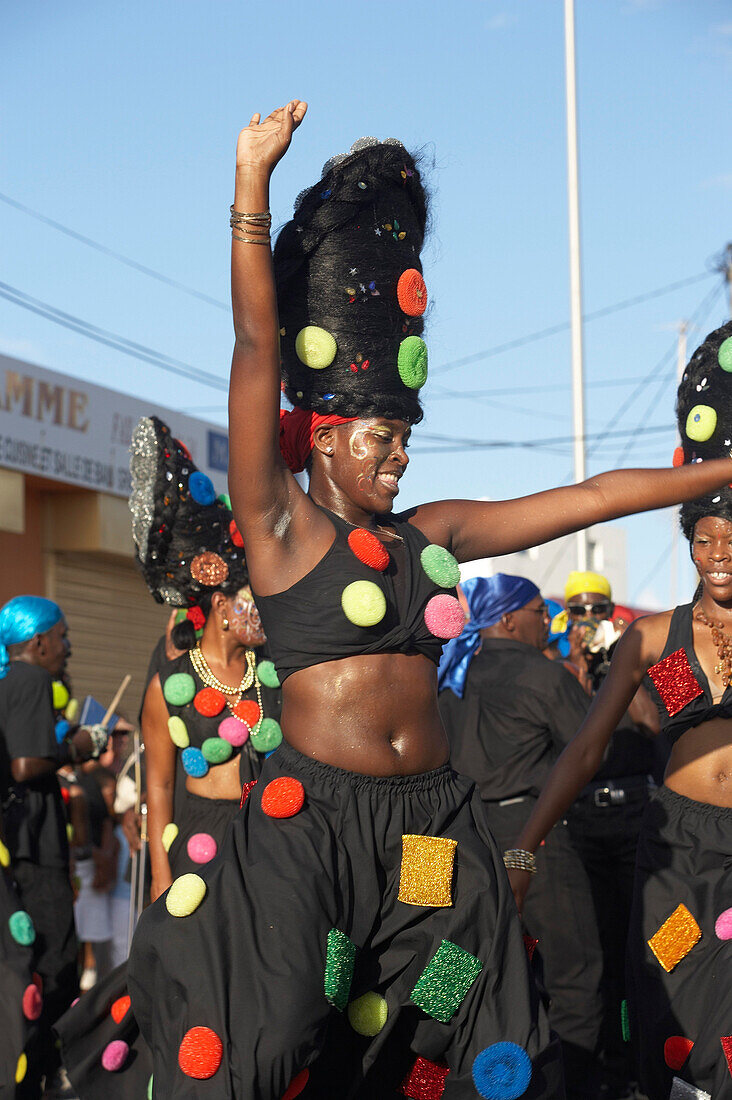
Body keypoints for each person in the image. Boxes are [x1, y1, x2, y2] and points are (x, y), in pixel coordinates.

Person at [127, 102, 732, 1099]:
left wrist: (710, 472)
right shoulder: (279, 532)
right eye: (381, 437)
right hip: (314, 827)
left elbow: (585, 498)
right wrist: (250, 187)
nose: (401, 453)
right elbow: (251, 347)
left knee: (451, 1019)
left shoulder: (431, 535)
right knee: (275, 1036)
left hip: (427, 833)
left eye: (407, 435)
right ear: (321, 434)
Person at [507, 321, 732, 1099]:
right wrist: (525, 848)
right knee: (681, 1022)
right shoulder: (651, 640)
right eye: (706, 539)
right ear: (690, 542)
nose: (722, 553)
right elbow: (584, 750)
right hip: (678, 852)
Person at [55, 416, 280, 1098]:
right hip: (192, 849)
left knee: (259, 985)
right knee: (188, 985)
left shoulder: (275, 679)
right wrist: (157, 874)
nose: (260, 608)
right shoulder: (168, 684)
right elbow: (154, 783)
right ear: (216, 597)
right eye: (249, 597)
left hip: (263, 845)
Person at [438, 574, 603, 1099]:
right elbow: (595, 755)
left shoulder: (447, 675)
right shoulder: (542, 674)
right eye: (540, 611)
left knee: (455, 973)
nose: (548, 623)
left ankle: (446, 1078)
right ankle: (570, 1087)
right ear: (509, 618)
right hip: (533, 840)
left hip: (452, 841)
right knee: (572, 975)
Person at [0, 596, 107, 1097]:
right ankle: (42, 1066)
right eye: (62, 636)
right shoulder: (34, 681)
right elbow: (25, 764)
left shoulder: (12, 684)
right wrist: (79, 748)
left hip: (19, 843)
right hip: (33, 845)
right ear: (38, 642)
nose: (68, 646)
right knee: (57, 960)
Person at [559, 572, 660, 1100]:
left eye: (596, 611)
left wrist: (621, 669)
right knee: (592, 951)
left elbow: (658, 726)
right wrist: (581, 668)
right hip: (583, 826)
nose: (587, 622)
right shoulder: (557, 670)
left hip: (637, 816)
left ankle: (639, 1062)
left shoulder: (640, 661)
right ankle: (606, 1064)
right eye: (578, 613)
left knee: (638, 948)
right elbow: (572, 734)